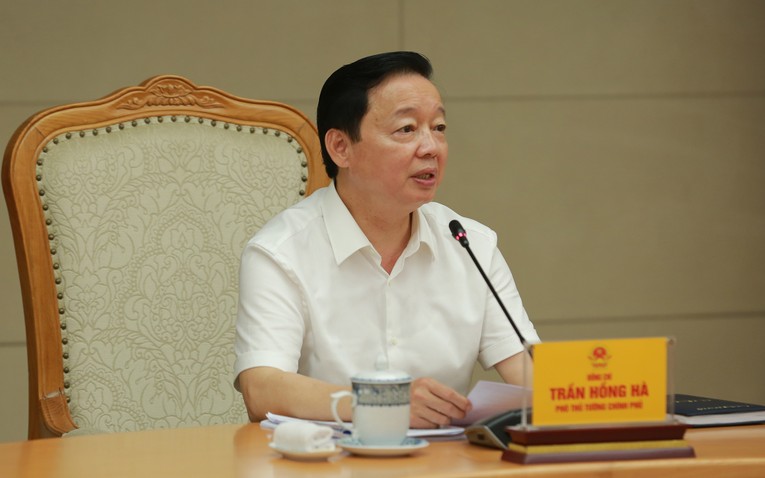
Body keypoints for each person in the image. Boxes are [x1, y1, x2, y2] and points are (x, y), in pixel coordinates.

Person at [234, 51, 539, 429]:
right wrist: (381, 403)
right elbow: (261, 390)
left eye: (439, 128)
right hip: (327, 458)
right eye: (406, 129)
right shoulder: (281, 252)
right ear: (340, 147)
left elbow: (532, 377)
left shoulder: (470, 244)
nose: (430, 147)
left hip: (447, 459)